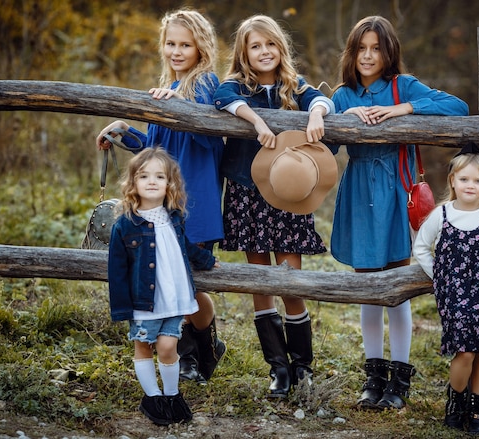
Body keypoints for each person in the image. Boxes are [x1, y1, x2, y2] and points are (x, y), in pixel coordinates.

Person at [329, 15, 469, 411]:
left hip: (395, 193)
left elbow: (457, 106)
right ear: (352, 53)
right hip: (358, 193)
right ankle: (373, 376)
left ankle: (400, 378)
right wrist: (341, 119)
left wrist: (403, 109)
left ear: (389, 52)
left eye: (376, 48)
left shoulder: (401, 86)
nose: (368, 56)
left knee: (397, 289)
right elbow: (325, 146)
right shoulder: (343, 94)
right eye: (361, 48)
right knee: (368, 289)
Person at [96, 9, 225, 385]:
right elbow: (156, 148)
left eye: (186, 44)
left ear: (201, 47)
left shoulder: (206, 85)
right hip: (162, 204)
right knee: (171, 280)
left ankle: (202, 344)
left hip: (194, 202)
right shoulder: (166, 86)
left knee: (190, 284)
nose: (177, 51)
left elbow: (205, 135)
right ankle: (192, 353)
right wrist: (124, 132)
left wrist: (175, 104)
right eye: (171, 43)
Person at [213, 14, 335, 398]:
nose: (264, 52)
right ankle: (278, 370)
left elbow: (321, 98)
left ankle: (303, 369)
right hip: (248, 191)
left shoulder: (293, 87)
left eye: (270, 44)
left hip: (287, 197)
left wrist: (315, 112)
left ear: (280, 48)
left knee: (290, 283)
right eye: (255, 46)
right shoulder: (237, 85)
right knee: (260, 283)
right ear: (243, 53)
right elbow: (222, 97)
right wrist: (256, 121)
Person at [107, 147, 219, 425]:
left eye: (159, 176)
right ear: (133, 183)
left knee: (169, 347)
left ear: (170, 183)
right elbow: (117, 271)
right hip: (143, 303)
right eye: (144, 176)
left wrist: (205, 259)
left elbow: (186, 248)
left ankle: (172, 395)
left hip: (175, 299)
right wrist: (122, 309)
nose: (152, 181)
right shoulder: (125, 225)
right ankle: (153, 399)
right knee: (144, 346)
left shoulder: (175, 217)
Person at [413, 142, 479, 434]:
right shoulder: (442, 215)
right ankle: (455, 403)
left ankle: (477, 411)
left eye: (478, 180)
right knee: (465, 352)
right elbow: (421, 248)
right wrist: (440, 277)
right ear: (453, 181)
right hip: (454, 293)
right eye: (464, 179)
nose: (470, 185)